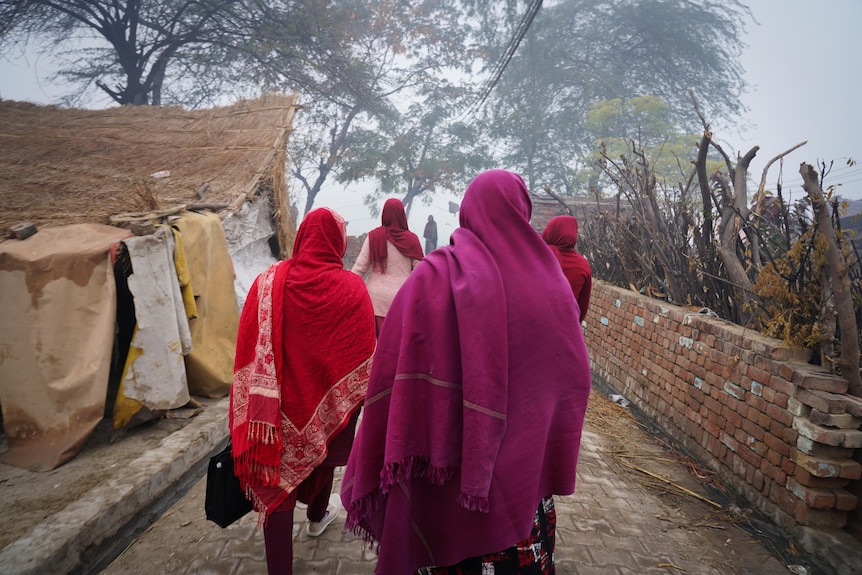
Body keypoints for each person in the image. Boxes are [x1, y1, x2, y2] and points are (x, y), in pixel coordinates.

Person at [341, 169, 592, 574]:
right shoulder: (550, 280)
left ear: (468, 211)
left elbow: (391, 372)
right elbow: (574, 376)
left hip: (445, 478)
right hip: (521, 489)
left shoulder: (433, 276)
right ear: (523, 211)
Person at [229, 207, 376, 575]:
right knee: (324, 442)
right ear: (337, 242)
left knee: (274, 482)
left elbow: (246, 342)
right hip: (321, 401)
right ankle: (317, 514)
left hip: (271, 410)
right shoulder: (352, 288)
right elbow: (362, 352)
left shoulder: (267, 282)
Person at [351, 198, 424, 335]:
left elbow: (359, 269)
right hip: (401, 301)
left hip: (374, 302)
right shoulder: (412, 240)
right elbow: (421, 272)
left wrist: (347, 291)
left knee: (375, 347)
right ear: (402, 215)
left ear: (384, 214)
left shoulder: (374, 237)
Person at [542, 215, 592, 319]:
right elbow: (582, 306)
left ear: (550, 231)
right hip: (567, 326)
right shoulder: (582, 265)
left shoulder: (535, 257)